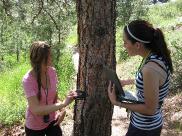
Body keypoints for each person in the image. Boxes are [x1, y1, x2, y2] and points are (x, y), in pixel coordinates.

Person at [108, 20, 173, 136]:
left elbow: (150, 109)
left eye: (125, 42)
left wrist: (117, 102)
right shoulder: (154, 57)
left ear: (137, 45)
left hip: (145, 129)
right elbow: (153, 83)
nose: (124, 46)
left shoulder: (150, 68)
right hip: (144, 125)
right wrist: (126, 82)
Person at [22, 41, 77, 136]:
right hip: (34, 127)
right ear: (42, 59)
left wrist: (62, 110)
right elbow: (36, 110)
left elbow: (54, 97)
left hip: (52, 120)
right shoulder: (28, 80)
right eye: (50, 55)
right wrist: (63, 104)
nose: (52, 57)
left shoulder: (52, 72)